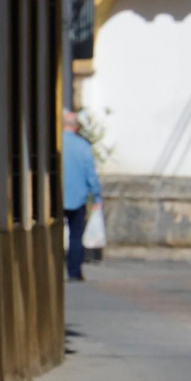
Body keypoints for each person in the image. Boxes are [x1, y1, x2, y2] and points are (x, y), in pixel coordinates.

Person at [62, 111, 102, 281]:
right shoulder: (83, 146)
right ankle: (74, 272)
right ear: (76, 127)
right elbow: (90, 174)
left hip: (56, 198)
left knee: (54, 235)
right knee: (75, 236)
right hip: (77, 198)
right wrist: (97, 196)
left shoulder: (56, 144)